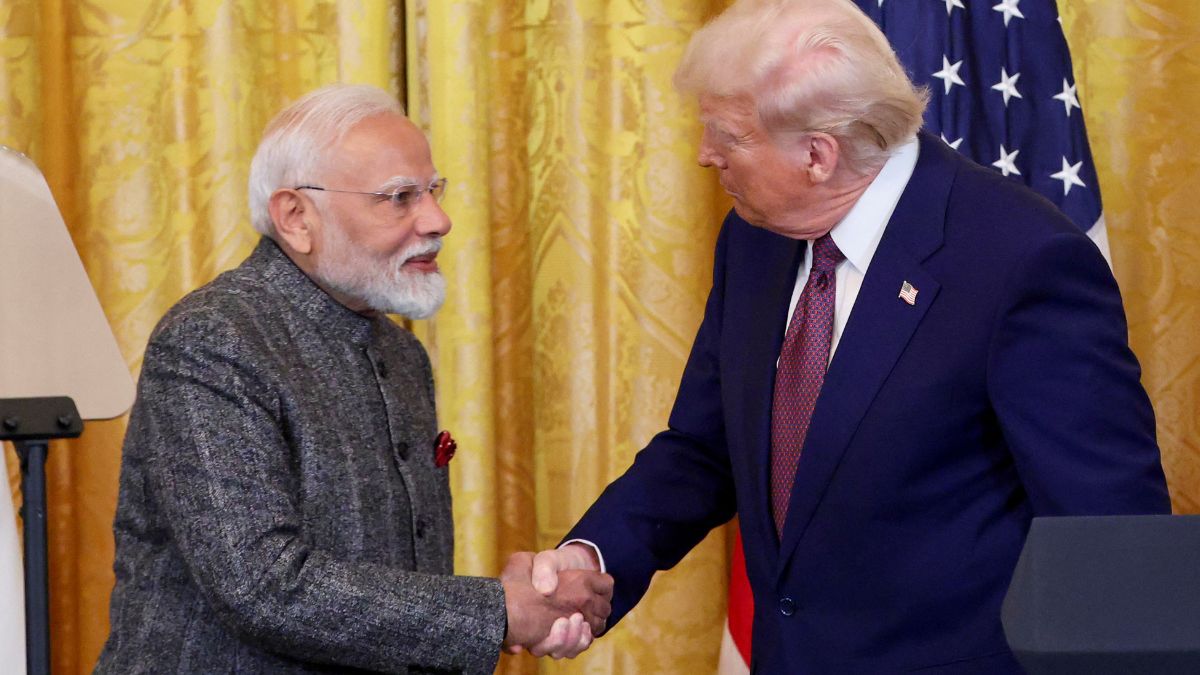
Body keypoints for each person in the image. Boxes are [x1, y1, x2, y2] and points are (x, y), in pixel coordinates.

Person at [525, 0, 1171, 671]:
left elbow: (1110, 541)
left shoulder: (1020, 261)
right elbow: (704, 449)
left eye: (727, 136)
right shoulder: (754, 240)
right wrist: (591, 559)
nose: (704, 156)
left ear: (817, 155)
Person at [96, 84, 610, 674]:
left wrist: (520, 600)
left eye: (433, 191)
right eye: (399, 198)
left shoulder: (401, 352)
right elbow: (262, 586)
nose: (438, 220)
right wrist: (498, 611)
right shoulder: (212, 339)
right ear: (296, 218)